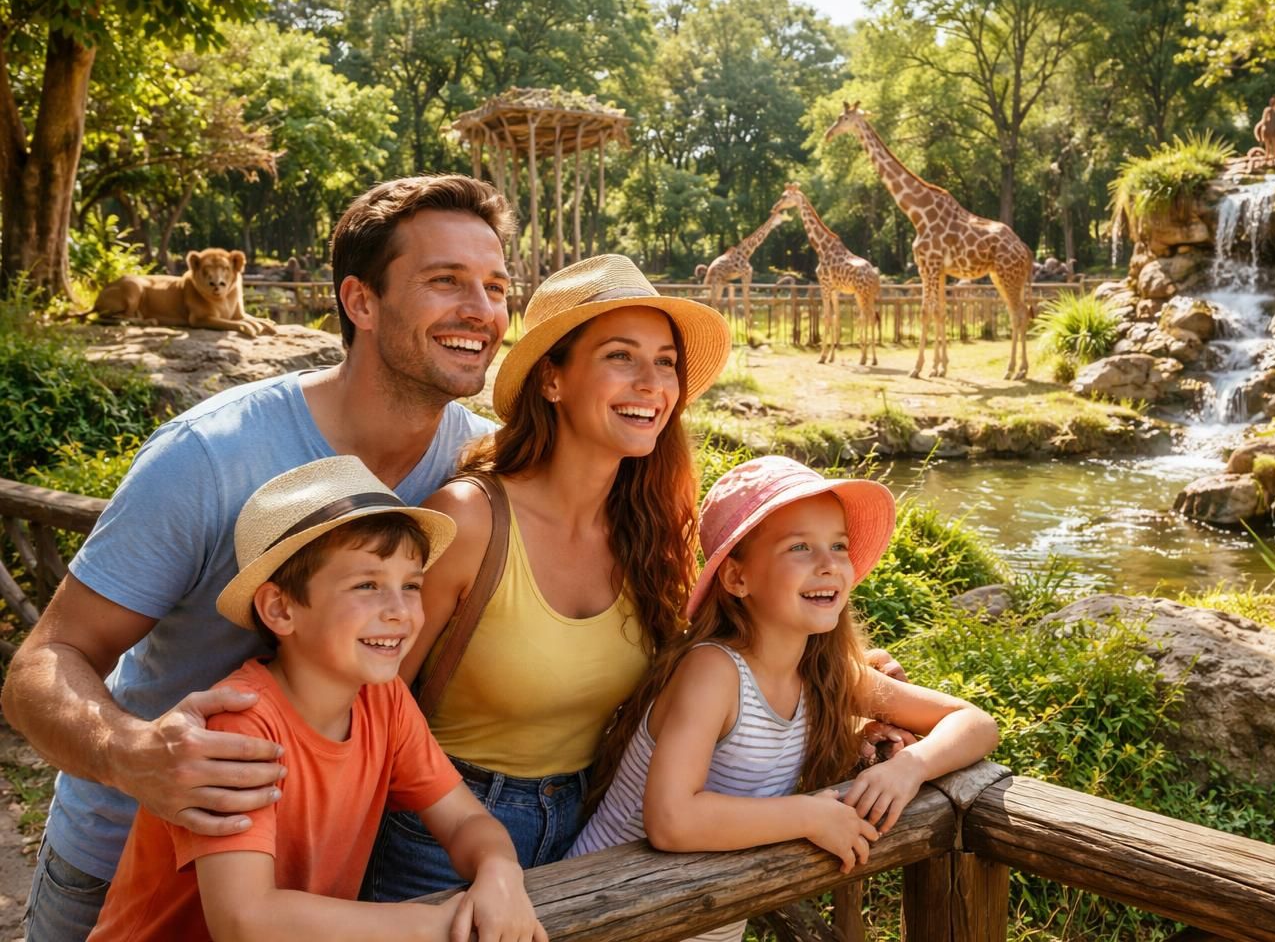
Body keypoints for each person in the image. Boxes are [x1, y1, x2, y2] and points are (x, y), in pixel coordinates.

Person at [2, 174, 514, 941]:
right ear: (360, 301)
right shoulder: (211, 455)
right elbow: (43, 664)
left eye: (497, 286)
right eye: (446, 281)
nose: (481, 309)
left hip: (314, 880)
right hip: (126, 868)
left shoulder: (473, 462)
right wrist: (130, 751)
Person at [363, 252, 734, 900]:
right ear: (553, 380)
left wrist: (857, 696)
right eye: (621, 356)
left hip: (592, 821)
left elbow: (718, 654)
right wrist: (466, 825)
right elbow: (372, 700)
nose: (652, 382)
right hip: (439, 832)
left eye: (666, 362)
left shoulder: (651, 530)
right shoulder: (469, 520)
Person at [89, 457, 544, 942]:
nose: (399, 611)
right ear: (281, 609)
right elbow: (244, 921)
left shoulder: (383, 700)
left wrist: (500, 873)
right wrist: (435, 926)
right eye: (367, 585)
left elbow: (466, 820)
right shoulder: (239, 725)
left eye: (411, 586)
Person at [567, 456, 998, 942]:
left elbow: (976, 722)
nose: (829, 564)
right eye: (800, 547)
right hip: (608, 912)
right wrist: (810, 814)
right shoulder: (713, 672)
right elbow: (671, 820)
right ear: (736, 579)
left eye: (838, 545)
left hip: (706, 919)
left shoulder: (826, 676)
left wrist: (908, 767)